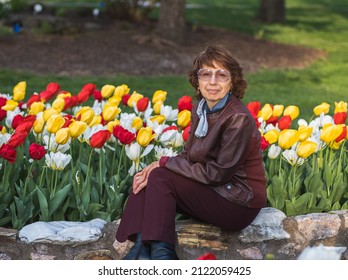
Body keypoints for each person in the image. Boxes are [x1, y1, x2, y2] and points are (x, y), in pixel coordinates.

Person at [115, 45, 267, 260]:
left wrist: (164, 163)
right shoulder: (201, 109)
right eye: (206, 74)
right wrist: (154, 166)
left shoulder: (237, 118)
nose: (212, 82)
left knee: (160, 176)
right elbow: (190, 155)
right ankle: (143, 249)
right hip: (216, 192)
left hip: (238, 203)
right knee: (148, 178)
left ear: (233, 81)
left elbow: (216, 174)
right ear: (197, 80)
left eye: (221, 75)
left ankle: (159, 255)